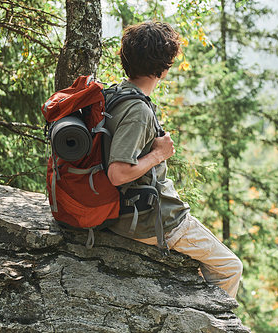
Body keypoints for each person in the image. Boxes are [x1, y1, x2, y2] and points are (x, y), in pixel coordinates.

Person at [103, 21, 243, 298]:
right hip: (153, 220)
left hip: (125, 211)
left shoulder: (115, 94)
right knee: (230, 267)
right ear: (163, 69)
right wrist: (159, 154)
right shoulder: (138, 110)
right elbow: (117, 173)